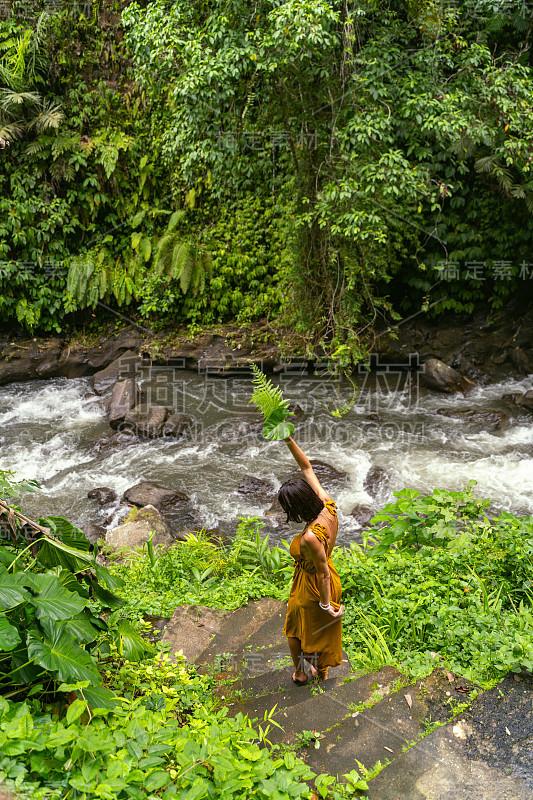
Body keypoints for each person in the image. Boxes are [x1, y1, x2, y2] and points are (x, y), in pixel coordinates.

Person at [277, 435, 344, 685]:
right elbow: (307, 467)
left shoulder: (309, 537)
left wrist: (327, 606)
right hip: (329, 581)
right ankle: (323, 672)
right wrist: (288, 439)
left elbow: (322, 572)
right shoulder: (328, 506)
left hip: (314, 586)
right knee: (321, 630)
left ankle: (301, 673)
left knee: (294, 628)